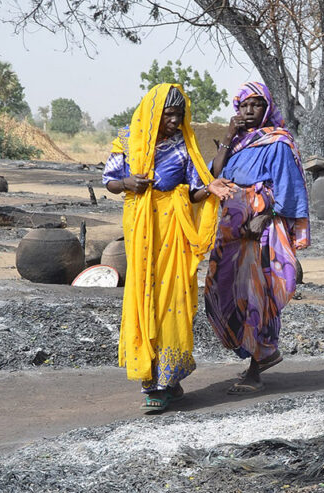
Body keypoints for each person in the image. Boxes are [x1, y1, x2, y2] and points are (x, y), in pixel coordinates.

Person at [103, 83, 234, 414]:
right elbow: (109, 181)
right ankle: (152, 378)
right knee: (144, 297)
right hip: (142, 231)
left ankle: (166, 381)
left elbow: (192, 192)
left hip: (173, 232)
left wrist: (211, 190)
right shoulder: (128, 139)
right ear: (153, 112)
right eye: (169, 114)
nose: (175, 121)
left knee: (171, 301)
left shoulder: (183, 147)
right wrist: (127, 184)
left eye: (179, 114)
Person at [204, 82, 310, 394]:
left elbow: (289, 187)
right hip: (231, 230)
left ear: (267, 108)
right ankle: (263, 353)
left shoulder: (278, 142)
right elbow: (214, 176)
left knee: (258, 295)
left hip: (263, 230)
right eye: (244, 105)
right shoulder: (236, 143)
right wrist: (226, 138)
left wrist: (265, 216)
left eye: (256, 105)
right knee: (222, 288)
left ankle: (256, 364)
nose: (249, 111)